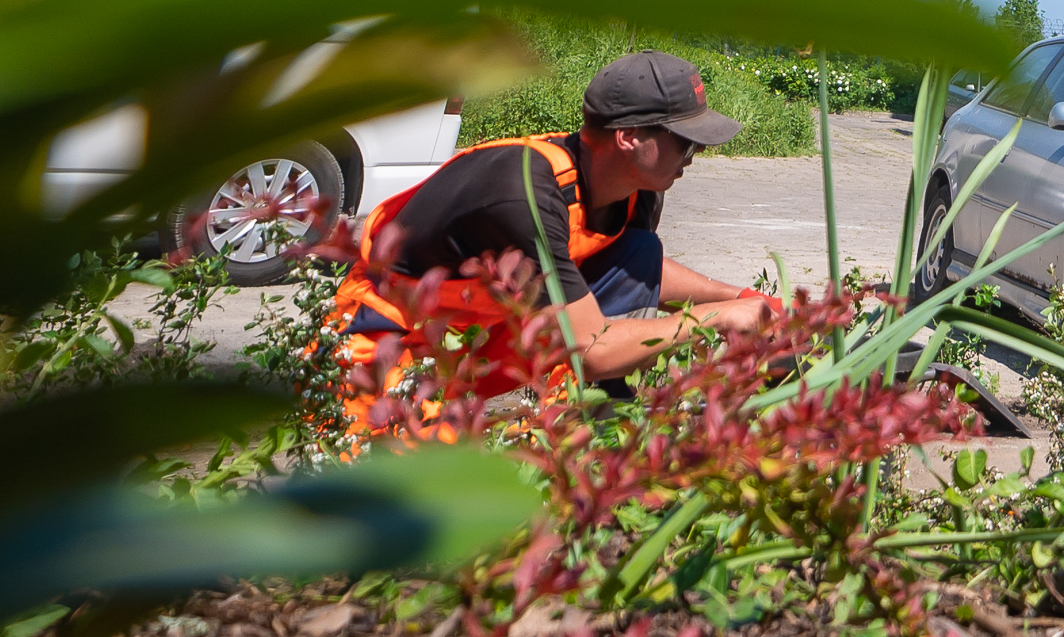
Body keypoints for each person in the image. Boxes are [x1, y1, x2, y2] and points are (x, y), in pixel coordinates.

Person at [329, 50, 776, 434]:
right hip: (388, 335)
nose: (692, 159)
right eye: (685, 144)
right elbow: (592, 348)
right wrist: (718, 318)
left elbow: (637, 271)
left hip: (481, 330)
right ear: (629, 139)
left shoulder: (634, 189)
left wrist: (737, 296)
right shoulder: (522, 192)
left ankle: (599, 427)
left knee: (639, 253)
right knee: (422, 493)